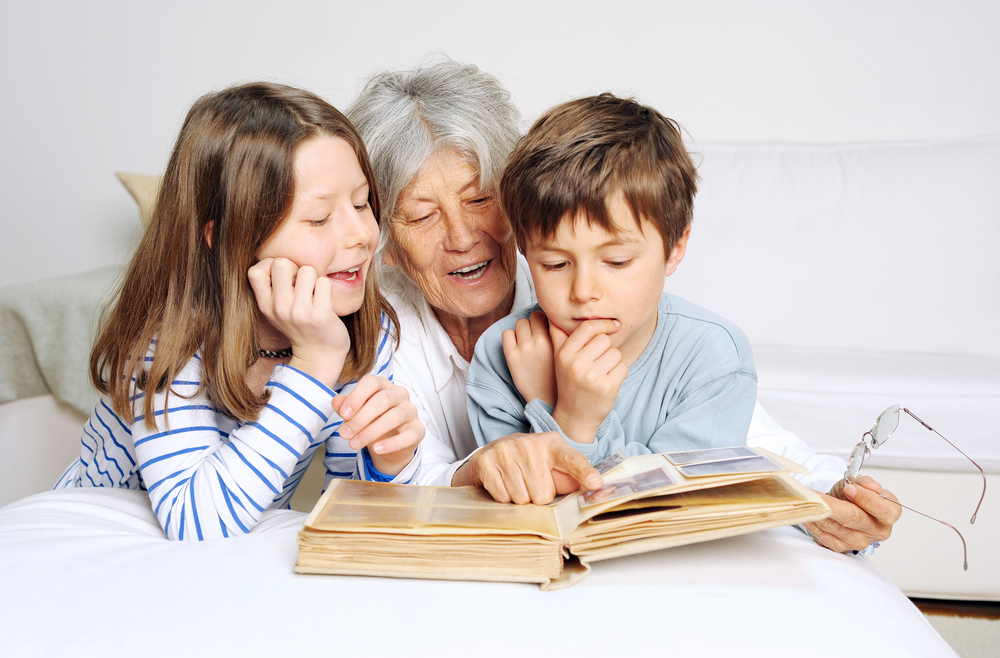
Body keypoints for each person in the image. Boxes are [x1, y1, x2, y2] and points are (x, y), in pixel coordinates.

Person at [348, 58, 898, 555]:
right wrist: (563, 417)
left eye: (478, 199)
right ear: (385, 243)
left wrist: (828, 499)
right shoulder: (403, 338)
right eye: (422, 216)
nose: (463, 235)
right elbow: (422, 496)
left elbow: (731, 451)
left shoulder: (646, 323)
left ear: (514, 210)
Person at [54, 82, 424, 540]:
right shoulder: (168, 342)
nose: (361, 235)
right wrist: (312, 366)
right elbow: (195, 524)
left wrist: (390, 462)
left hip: (223, 563)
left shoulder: (362, 328)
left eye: (362, 203)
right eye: (319, 218)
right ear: (227, 239)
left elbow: (350, 520)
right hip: (89, 541)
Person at [466, 92, 757, 466]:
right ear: (525, 252)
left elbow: (676, 508)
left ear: (674, 247)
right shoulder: (503, 354)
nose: (584, 292)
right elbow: (524, 510)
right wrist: (566, 417)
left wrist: (567, 412)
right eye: (555, 264)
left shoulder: (714, 357)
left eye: (617, 262)